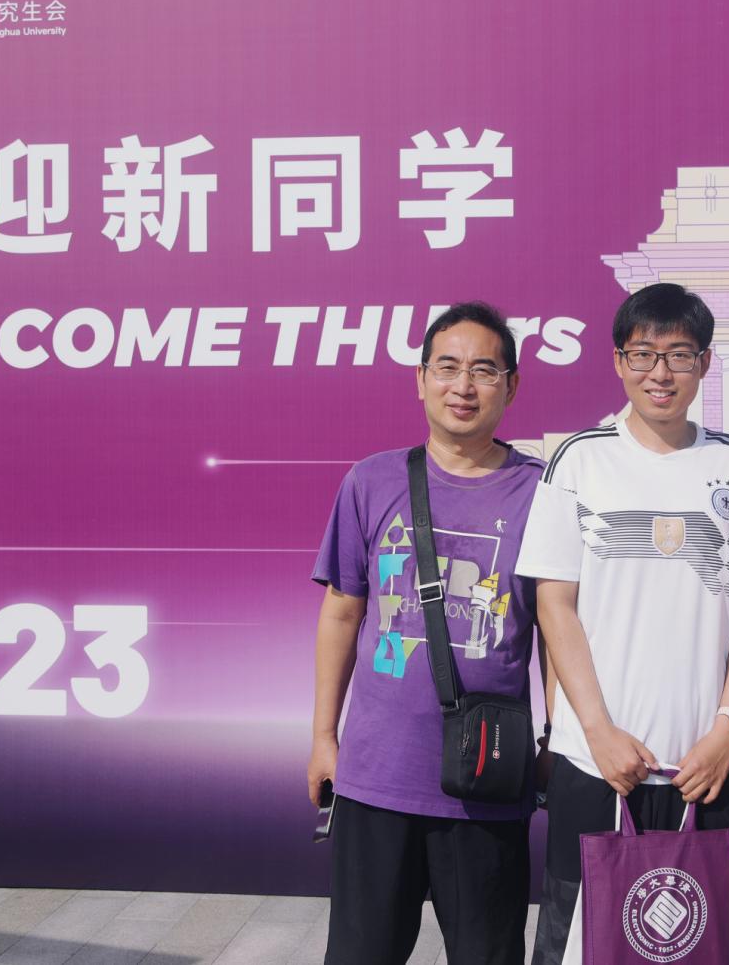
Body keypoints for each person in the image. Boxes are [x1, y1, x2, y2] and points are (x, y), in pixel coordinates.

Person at [519, 282, 729, 965]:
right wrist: (597, 732)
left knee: (716, 945)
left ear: (704, 363)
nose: (659, 373)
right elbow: (555, 606)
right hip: (596, 764)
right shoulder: (580, 460)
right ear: (618, 361)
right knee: (588, 947)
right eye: (642, 354)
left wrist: (728, 729)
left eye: (679, 355)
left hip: (709, 765)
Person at [307, 302, 546, 965]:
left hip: (486, 782)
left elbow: (556, 630)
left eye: (483, 371)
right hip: (376, 775)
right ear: (420, 379)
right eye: (446, 367)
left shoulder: (539, 493)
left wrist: (555, 738)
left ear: (511, 385)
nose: (463, 386)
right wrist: (324, 737)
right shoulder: (371, 481)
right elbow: (341, 612)